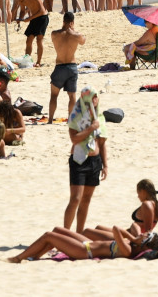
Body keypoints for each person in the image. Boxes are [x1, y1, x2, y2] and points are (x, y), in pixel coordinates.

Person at [65, 89, 107, 233]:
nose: (95, 101)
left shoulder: (99, 116)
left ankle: (79, 233)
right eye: (92, 98)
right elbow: (75, 139)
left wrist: (105, 165)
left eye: (96, 98)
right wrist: (91, 128)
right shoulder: (75, 116)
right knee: (75, 199)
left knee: (86, 200)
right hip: (79, 160)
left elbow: (102, 142)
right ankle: (65, 232)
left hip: (94, 160)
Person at [7, 226, 158, 263]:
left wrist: (133, 239)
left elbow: (116, 229)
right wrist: (135, 239)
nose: (141, 233)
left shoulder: (128, 249)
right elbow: (129, 227)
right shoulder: (131, 245)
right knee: (57, 230)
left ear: (144, 245)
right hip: (88, 244)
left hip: (84, 251)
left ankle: (18, 258)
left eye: (144, 236)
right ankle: (35, 257)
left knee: (49, 236)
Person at [49, 12, 83, 124]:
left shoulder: (54, 34)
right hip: (72, 66)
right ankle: (70, 119)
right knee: (72, 95)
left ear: (63, 21)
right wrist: (72, 30)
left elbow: (57, 36)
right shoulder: (77, 35)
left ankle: (50, 120)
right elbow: (83, 41)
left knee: (54, 95)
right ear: (72, 22)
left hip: (59, 67)